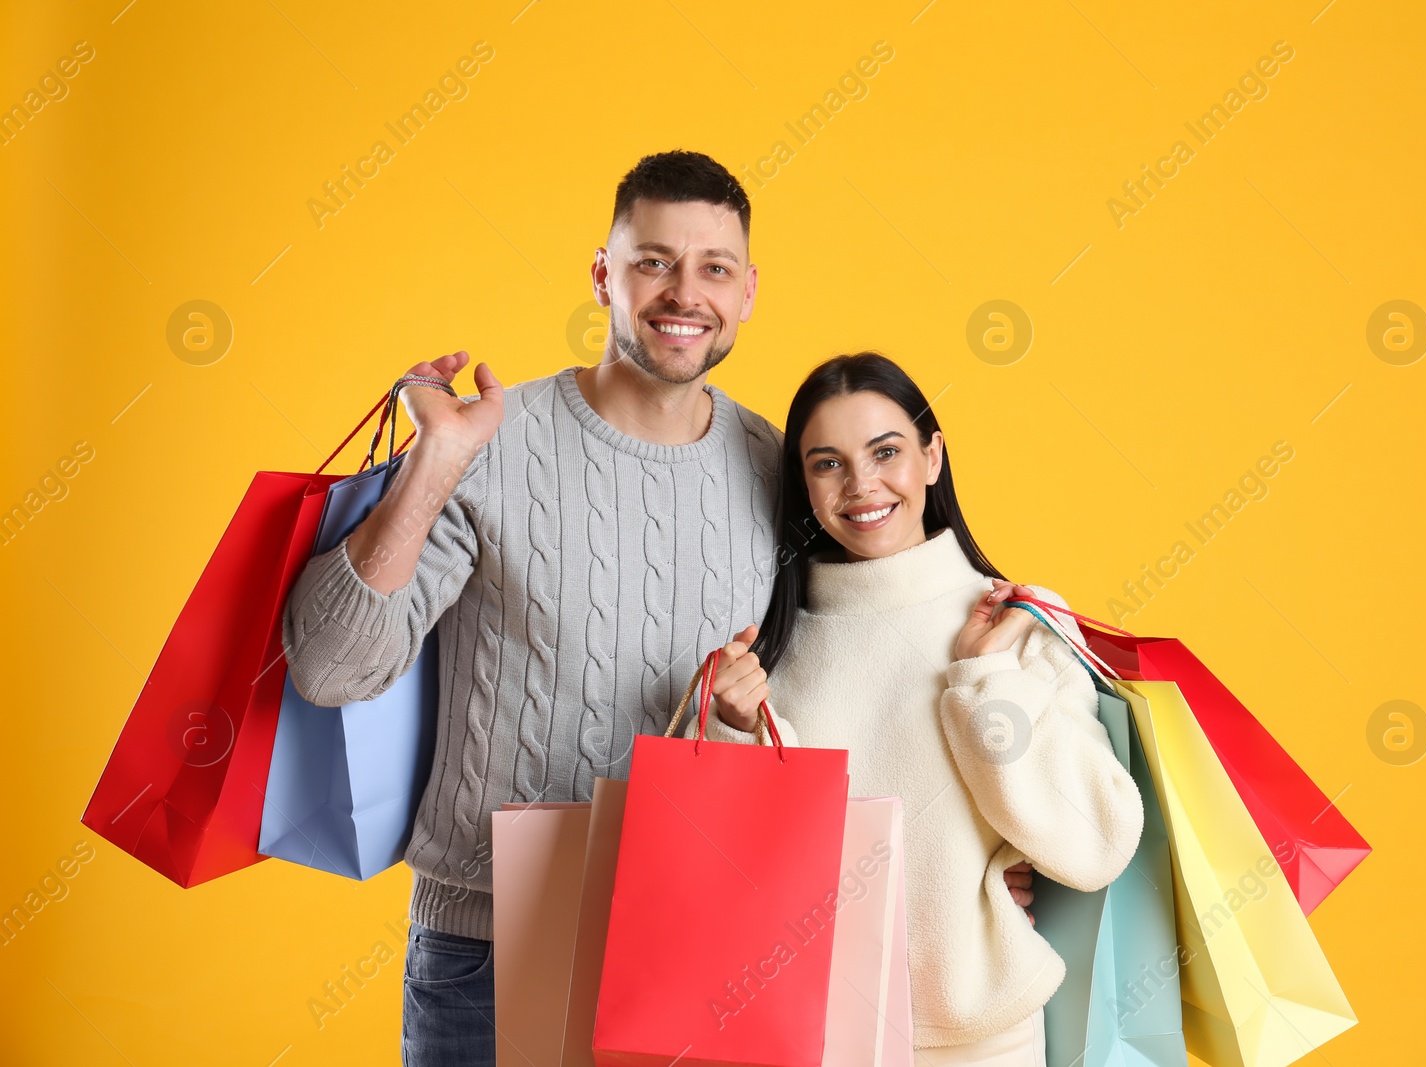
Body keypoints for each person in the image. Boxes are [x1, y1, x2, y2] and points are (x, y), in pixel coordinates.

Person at [280, 150, 785, 1066]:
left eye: (714, 267)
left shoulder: (775, 467)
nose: (685, 293)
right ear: (604, 273)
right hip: (487, 952)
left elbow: (855, 674)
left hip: (699, 944)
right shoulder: (493, 445)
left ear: (748, 291)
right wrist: (432, 465)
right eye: (654, 260)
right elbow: (326, 666)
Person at [699, 352, 1144, 1066]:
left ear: (932, 457)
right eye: (826, 463)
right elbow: (715, 868)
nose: (862, 484)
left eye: (886, 451)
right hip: (799, 1037)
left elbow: (1095, 844)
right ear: (802, 486)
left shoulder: (1012, 623)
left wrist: (985, 677)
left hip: (977, 1045)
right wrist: (729, 727)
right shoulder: (768, 645)